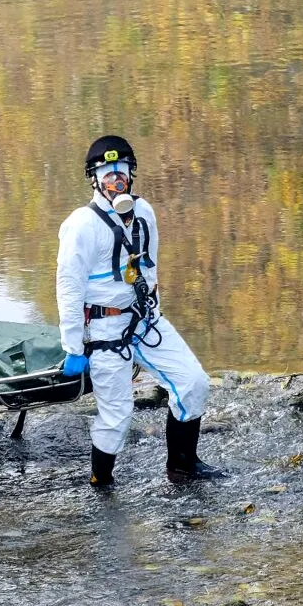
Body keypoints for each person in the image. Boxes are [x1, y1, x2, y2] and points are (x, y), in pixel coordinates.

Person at [56, 135, 225, 487]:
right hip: (102, 329)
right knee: (117, 416)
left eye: (120, 171)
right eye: (106, 173)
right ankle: (100, 482)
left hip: (144, 321)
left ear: (132, 173)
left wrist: (154, 311)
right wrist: (74, 347)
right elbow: (68, 289)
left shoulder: (144, 212)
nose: (114, 179)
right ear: (93, 178)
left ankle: (183, 468)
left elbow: (149, 269)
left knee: (192, 383)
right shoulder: (81, 225)